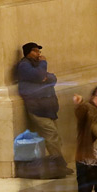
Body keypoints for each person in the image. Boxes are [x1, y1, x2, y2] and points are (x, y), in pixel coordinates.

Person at [13, 42, 67, 175]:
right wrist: (43, 65)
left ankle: (58, 164)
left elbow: (52, 78)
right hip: (38, 109)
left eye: (39, 51)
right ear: (28, 53)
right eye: (35, 51)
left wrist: (45, 76)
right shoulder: (24, 65)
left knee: (55, 136)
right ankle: (59, 165)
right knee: (52, 135)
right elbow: (39, 76)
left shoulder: (36, 66)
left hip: (47, 109)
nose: (39, 54)